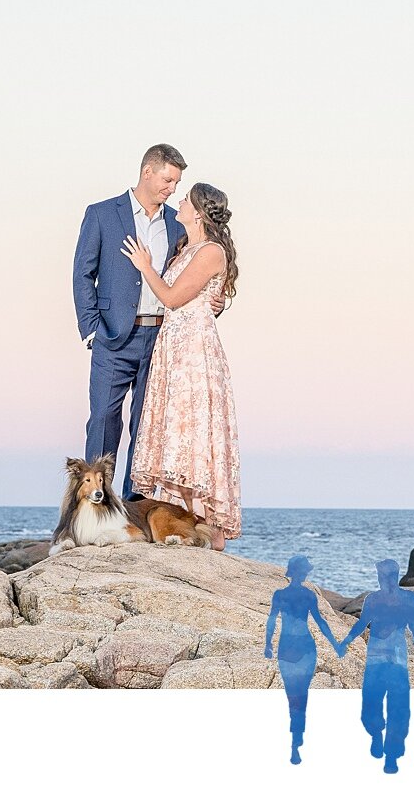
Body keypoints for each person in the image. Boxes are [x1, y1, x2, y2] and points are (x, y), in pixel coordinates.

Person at [123, 181, 243, 550]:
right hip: (173, 348)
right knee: (177, 433)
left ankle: (212, 528)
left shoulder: (210, 251)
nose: (178, 201)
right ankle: (191, 520)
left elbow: (174, 297)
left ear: (199, 212)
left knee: (194, 430)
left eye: (185, 199)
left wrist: (145, 267)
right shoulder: (185, 248)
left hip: (193, 353)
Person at [72, 144, 186, 499]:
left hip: (160, 339)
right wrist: (92, 330)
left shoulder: (176, 223)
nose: (172, 188)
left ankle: (134, 510)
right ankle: (92, 509)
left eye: (177, 183)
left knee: (147, 429)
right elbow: (82, 274)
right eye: (168, 180)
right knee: (103, 421)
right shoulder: (103, 214)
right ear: (148, 171)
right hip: (113, 338)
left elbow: (189, 275)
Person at [338, 558, 414, 773]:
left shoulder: (409, 599)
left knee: (398, 707)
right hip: (375, 657)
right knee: (370, 705)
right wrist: (345, 642)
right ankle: (376, 733)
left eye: (386, 576)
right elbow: (362, 624)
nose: (383, 580)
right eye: (380, 576)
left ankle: (392, 754)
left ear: (394, 576)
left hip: (398, 659)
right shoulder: (373, 599)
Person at [264, 555, 344, 765]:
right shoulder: (305, 595)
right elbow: (319, 622)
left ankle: (295, 742)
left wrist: (268, 645)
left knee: (294, 695)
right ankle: (296, 741)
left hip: (291, 646)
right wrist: (267, 645)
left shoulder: (282, 595)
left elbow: (274, 620)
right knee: (300, 695)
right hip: (302, 646)